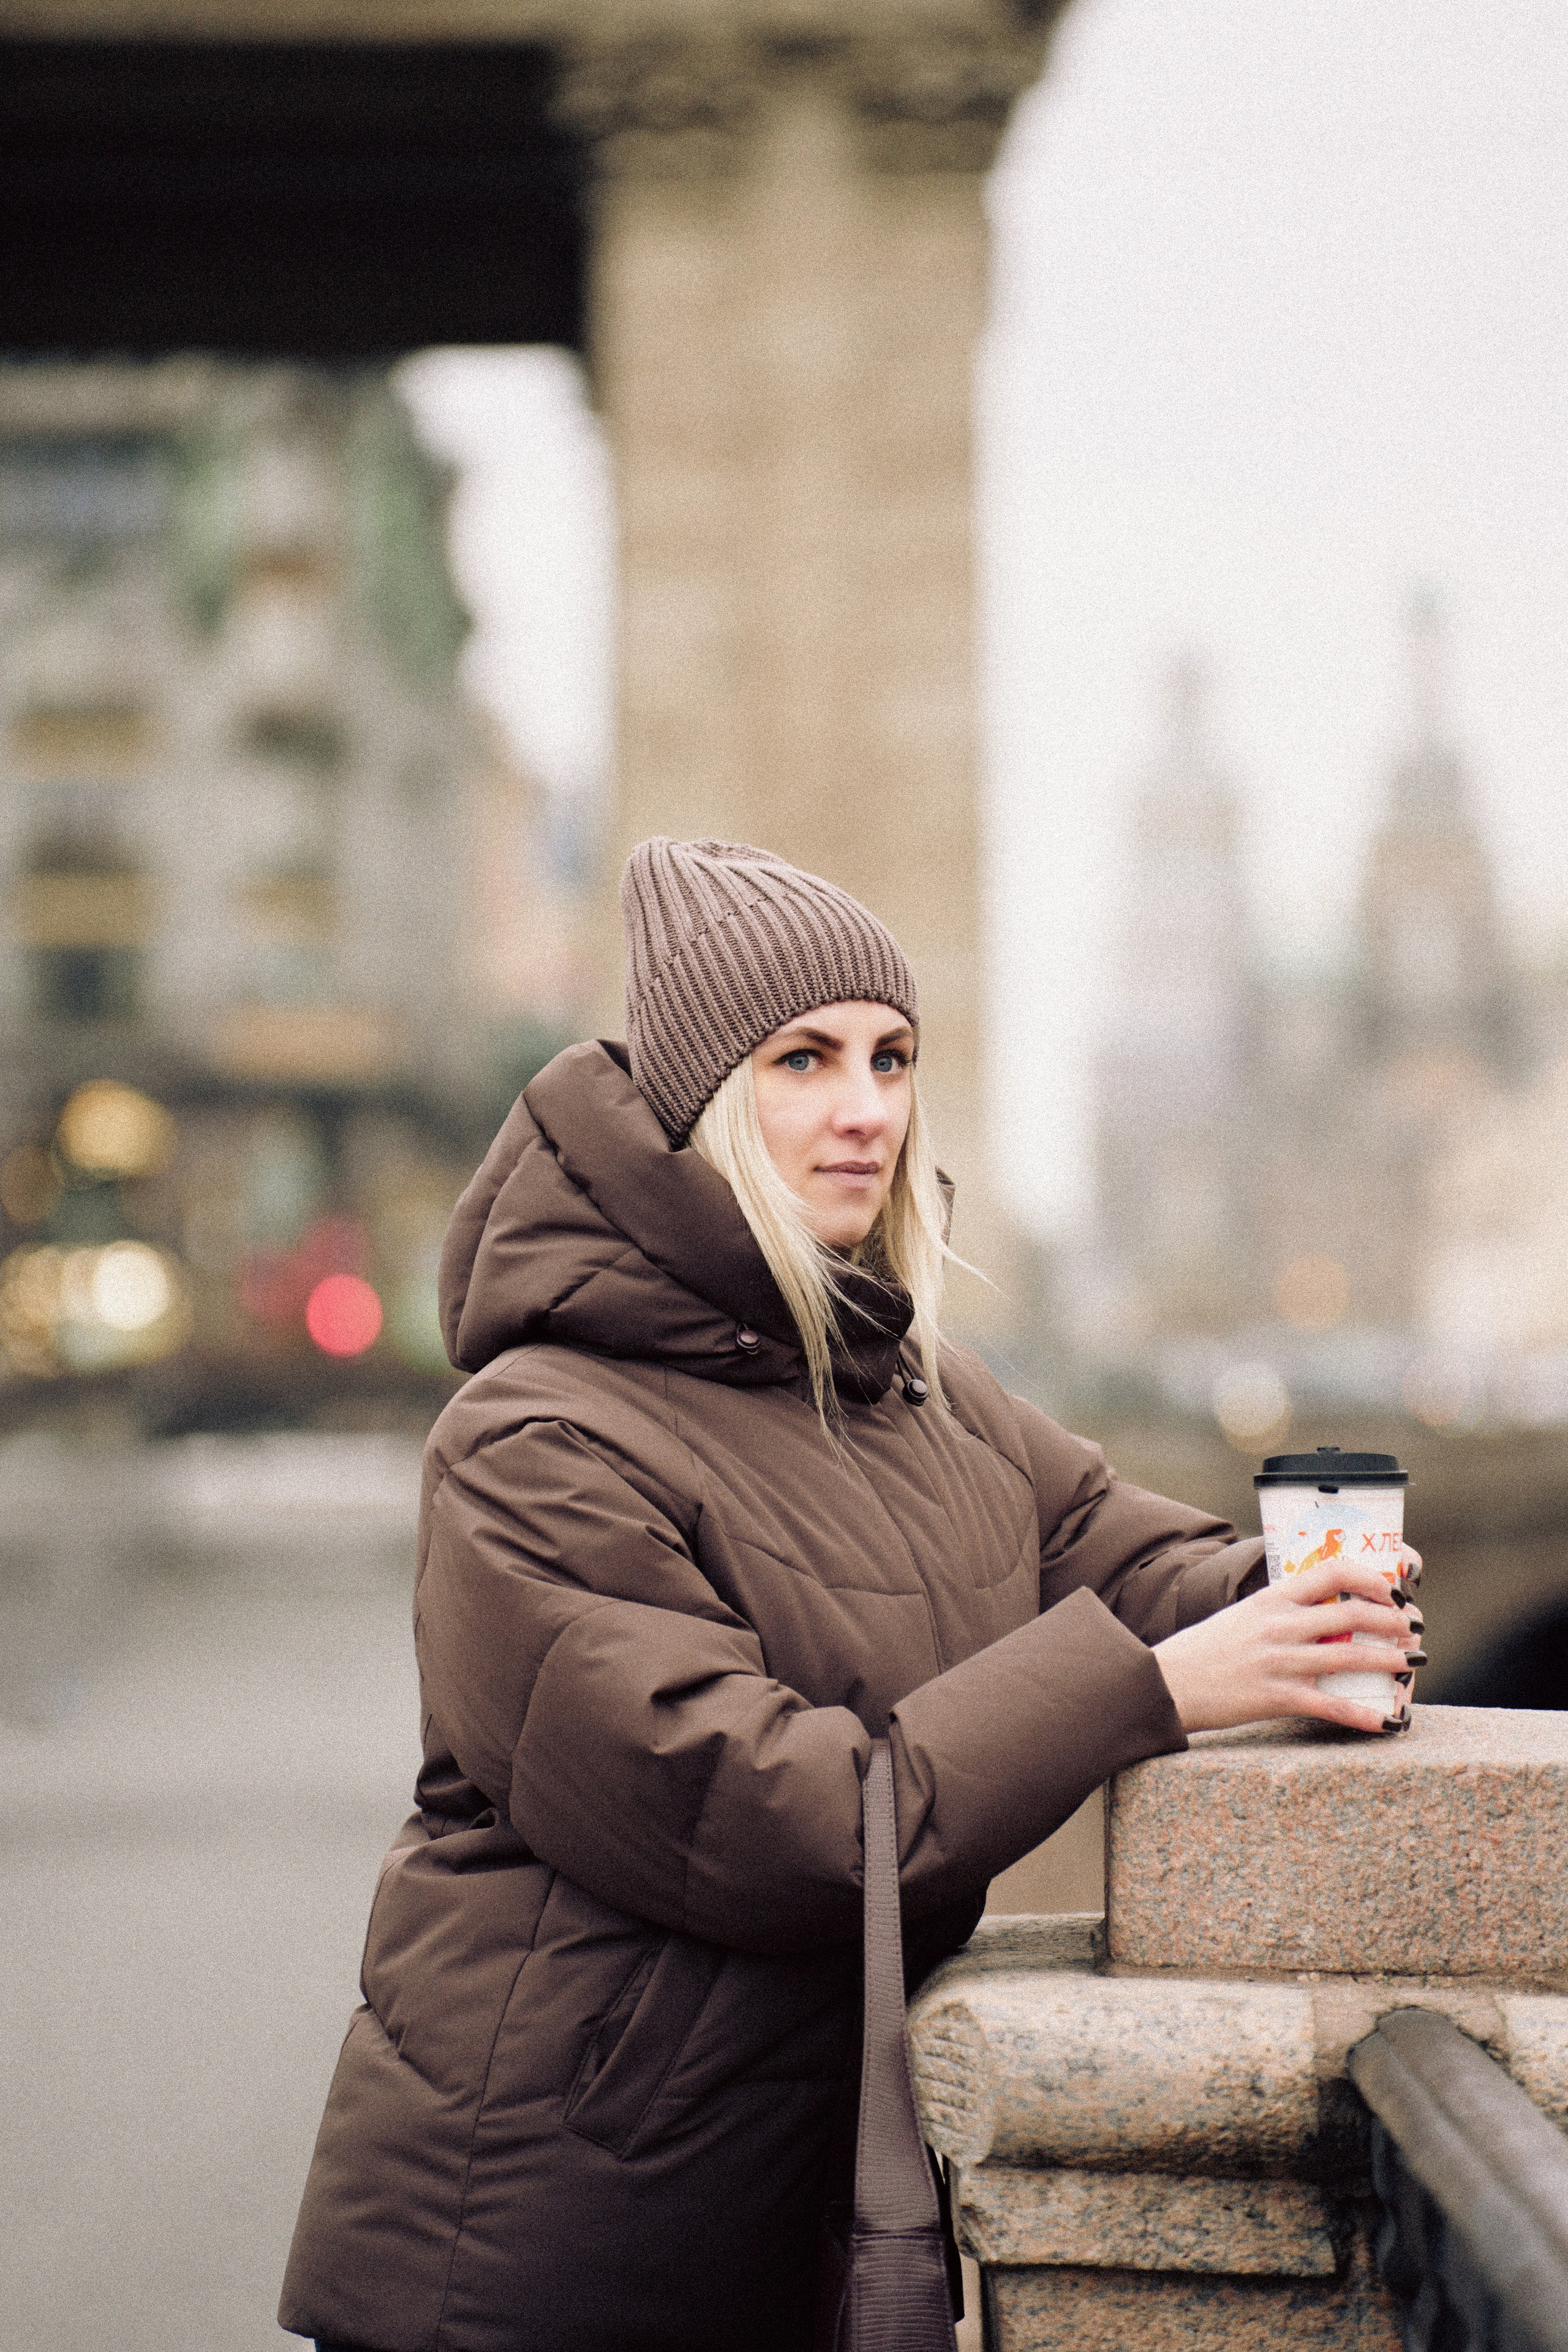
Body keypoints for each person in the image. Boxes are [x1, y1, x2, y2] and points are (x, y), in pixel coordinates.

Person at [280, 836, 1422, 2352]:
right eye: (802, 1060)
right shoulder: (532, 1441)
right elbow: (770, 1817)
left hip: (794, 2215)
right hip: (545, 2254)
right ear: (698, 1099)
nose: (865, 1108)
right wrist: (1152, 1691)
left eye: (891, 1058)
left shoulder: (921, 1390)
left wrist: (1302, 1588)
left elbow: (1122, 1556)